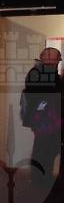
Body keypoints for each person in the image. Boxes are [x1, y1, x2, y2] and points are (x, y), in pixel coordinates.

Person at [21, 47, 63, 187]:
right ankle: (40, 181)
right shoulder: (38, 73)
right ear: (46, 58)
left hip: (49, 120)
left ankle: (43, 180)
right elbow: (46, 94)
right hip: (44, 120)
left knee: (48, 151)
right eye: (56, 58)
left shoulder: (45, 72)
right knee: (43, 151)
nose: (58, 61)